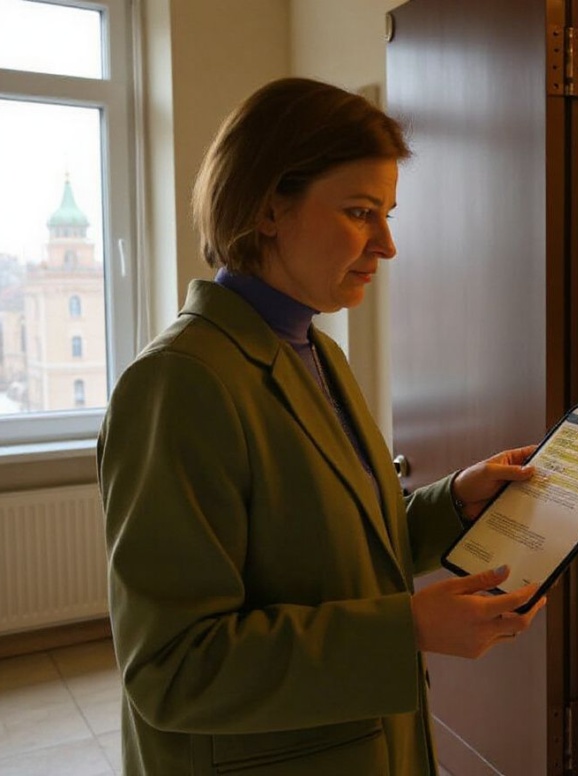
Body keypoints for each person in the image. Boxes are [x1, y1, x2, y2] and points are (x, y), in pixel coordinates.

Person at [97, 77, 545, 776]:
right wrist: (408, 629)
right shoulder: (179, 383)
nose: (388, 244)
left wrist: (456, 500)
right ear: (270, 207)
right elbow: (173, 669)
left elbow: (342, 546)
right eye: (362, 212)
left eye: (388, 213)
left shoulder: (316, 352)